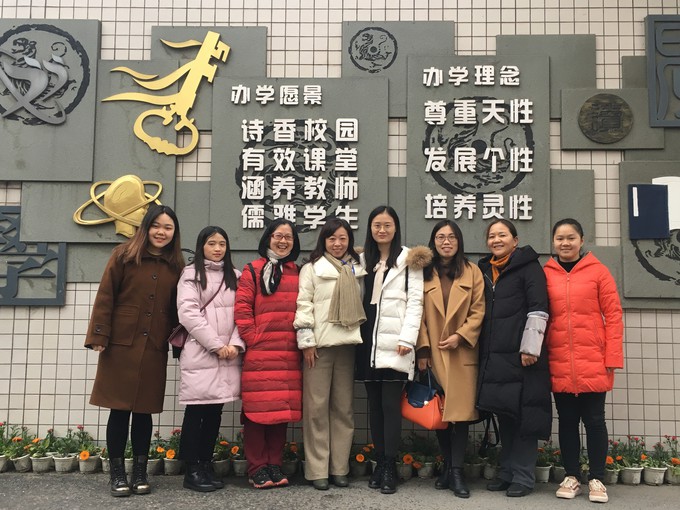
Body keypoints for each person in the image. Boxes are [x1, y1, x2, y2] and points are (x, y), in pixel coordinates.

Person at [85, 204, 184, 497]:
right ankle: (117, 474)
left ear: (174, 233)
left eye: (168, 227)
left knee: (144, 411)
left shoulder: (176, 265)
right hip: (120, 345)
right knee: (118, 409)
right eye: (156, 226)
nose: (161, 232)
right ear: (146, 227)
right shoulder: (124, 255)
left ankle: (140, 472)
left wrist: (180, 345)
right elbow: (106, 295)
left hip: (154, 345)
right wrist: (99, 335)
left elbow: (179, 309)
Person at [544, 218, 623, 504]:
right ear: (553, 242)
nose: (565, 243)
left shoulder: (598, 271)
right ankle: (572, 476)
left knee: (595, 420)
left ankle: (597, 478)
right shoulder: (546, 274)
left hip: (593, 359)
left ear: (581, 240)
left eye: (571, 237)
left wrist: (612, 355)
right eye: (560, 238)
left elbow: (613, 314)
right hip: (559, 359)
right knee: (566, 421)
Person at [356, 205, 430, 495]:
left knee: (390, 406)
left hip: (395, 341)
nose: (382, 230)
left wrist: (408, 339)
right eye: (377, 225)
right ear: (370, 228)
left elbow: (416, 302)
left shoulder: (408, 259)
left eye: (387, 225)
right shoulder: (363, 259)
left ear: (396, 228)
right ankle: (379, 463)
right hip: (367, 340)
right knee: (374, 406)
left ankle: (389, 466)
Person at [476, 219, 550, 498]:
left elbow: (538, 308)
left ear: (515, 240)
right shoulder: (486, 270)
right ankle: (507, 473)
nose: (496, 240)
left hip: (522, 356)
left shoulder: (529, 268)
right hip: (495, 355)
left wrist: (530, 348)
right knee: (505, 414)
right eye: (492, 236)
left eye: (502, 235)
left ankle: (523, 477)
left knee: (523, 417)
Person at [294, 218, 367, 490]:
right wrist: (307, 342)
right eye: (332, 238)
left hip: (347, 345)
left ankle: (339, 468)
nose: (337, 244)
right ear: (323, 241)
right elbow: (304, 304)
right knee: (316, 409)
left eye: (342, 238)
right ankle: (317, 470)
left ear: (350, 241)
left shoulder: (357, 267)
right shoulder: (311, 269)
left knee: (343, 409)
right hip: (319, 348)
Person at [416, 220, 485, 498]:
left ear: (459, 241)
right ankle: (448, 467)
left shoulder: (472, 272)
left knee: (460, 415)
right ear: (433, 242)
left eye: (452, 237)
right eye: (441, 237)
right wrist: (422, 350)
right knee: (440, 412)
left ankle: (456, 471)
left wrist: (461, 335)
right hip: (433, 353)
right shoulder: (423, 273)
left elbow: (479, 311)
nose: (446, 242)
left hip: (462, 353)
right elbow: (417, 313)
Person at [234, 219, 302, 490]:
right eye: (278, 236)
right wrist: (254, 339)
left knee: (280, 414)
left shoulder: (298, 273)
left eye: (288, 237)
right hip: (260, 354)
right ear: (268, 239)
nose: (283, 241)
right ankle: (257, 468)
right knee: (256, 414)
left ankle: (274, 463)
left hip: (289, 355)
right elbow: (242, 310)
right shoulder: (252, 270)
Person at [176, 226, 244, 492]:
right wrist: (216, 345)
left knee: (215, 411)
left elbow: (243, 313)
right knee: (196, 411)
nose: (217, 249)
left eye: (222, 244)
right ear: (201, 246)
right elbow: (188, 313)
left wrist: (236, 344)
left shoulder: (235, 276)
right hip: (202, 352)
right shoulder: (190, 275)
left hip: (228, 354)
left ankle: (205, 464)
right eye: (212, 243)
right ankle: (191, 469)